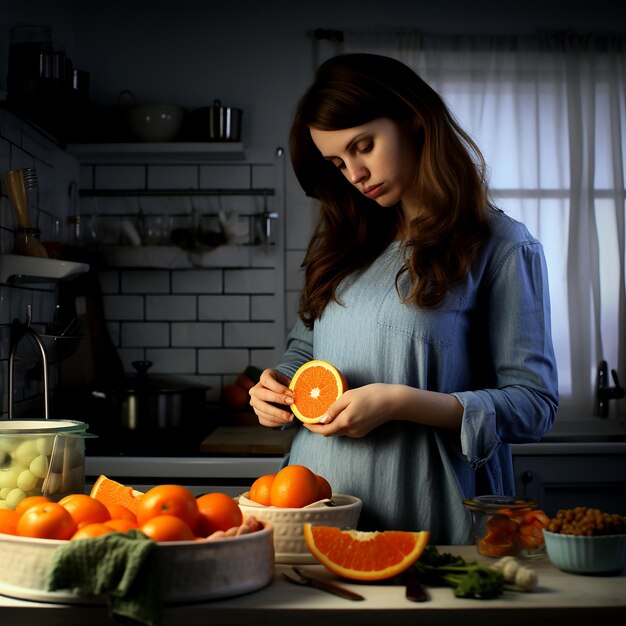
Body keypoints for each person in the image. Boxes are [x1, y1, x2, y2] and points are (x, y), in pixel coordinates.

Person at [248, 53, 559, 544]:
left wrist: (402, 402)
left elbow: (534, 406)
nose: (354, 174)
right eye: (337, 162)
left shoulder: (502, 246)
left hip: (427, 516)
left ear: (413, 118)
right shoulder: (345, 244)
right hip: (313, 514)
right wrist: (277, 386)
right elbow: (306, 349)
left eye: (364, 146)